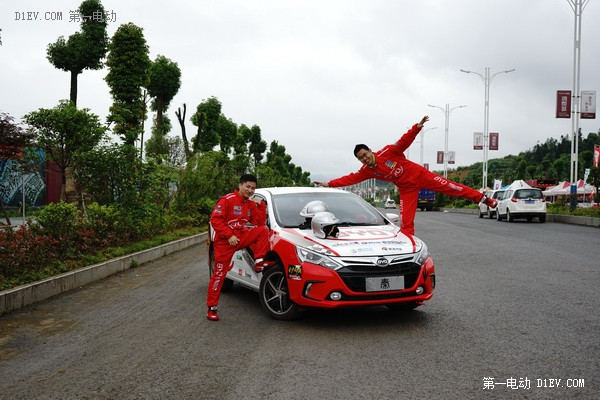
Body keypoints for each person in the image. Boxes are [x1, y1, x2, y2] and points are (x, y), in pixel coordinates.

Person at [314, 116, 497, 236]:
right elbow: (349, 179)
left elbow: (404, 141)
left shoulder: (388, 151)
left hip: (420, 175)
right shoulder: (367, 171)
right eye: (361, 158)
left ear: (370, 150)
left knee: (452, 188)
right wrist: (329, 183)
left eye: (365, 154)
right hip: (406, 189)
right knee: (406, 223)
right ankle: (408, 249)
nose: (364, 158)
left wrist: (416, 128)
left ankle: (483, 199)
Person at [206, 173, 274, 321]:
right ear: (240, 185)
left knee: (263, 230)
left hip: (241, 238)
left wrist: (260, 205)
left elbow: (259, 223)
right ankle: (212, 308)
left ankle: (259, 261)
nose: (250, 190)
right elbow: (215, 220)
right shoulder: (227, 200)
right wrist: (229, 235)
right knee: (219, 275)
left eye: (253, 188)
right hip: (225, 242)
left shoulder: (250, 203)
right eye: (247, 186)